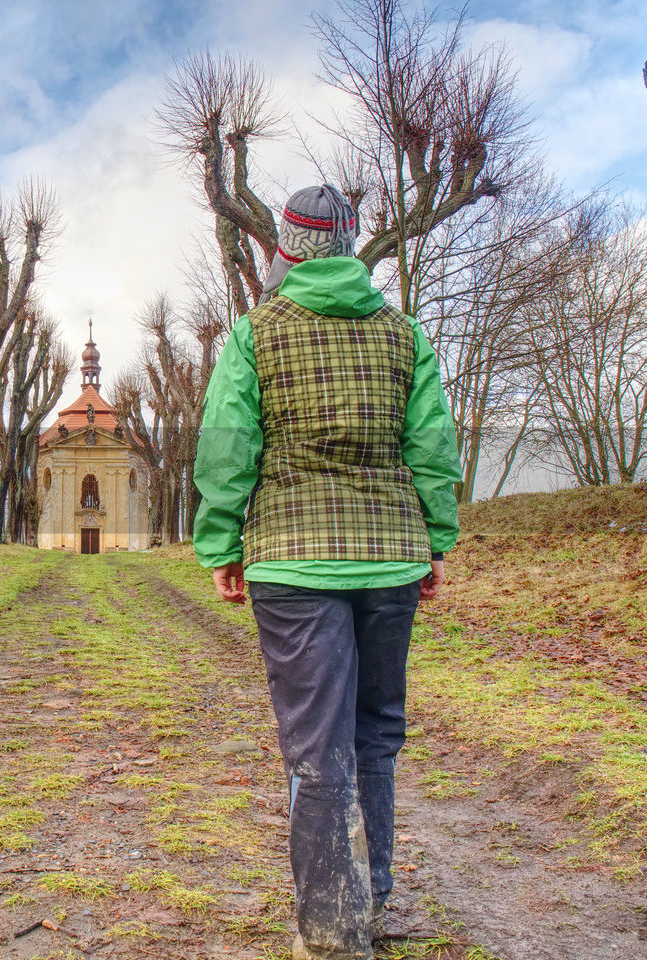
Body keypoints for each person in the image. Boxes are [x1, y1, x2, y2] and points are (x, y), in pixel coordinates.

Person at [192, 185, 462, 960]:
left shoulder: (256, 332)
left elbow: (226, 446)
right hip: (389, 553)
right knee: (376, 730)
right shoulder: (404, 334)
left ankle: (333, 926)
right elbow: (433, 449)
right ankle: (370, 897)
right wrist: (434, 541)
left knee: (316, 742)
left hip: (291, 558)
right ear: (350, 245)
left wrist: (222, 547)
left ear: (287, 247)